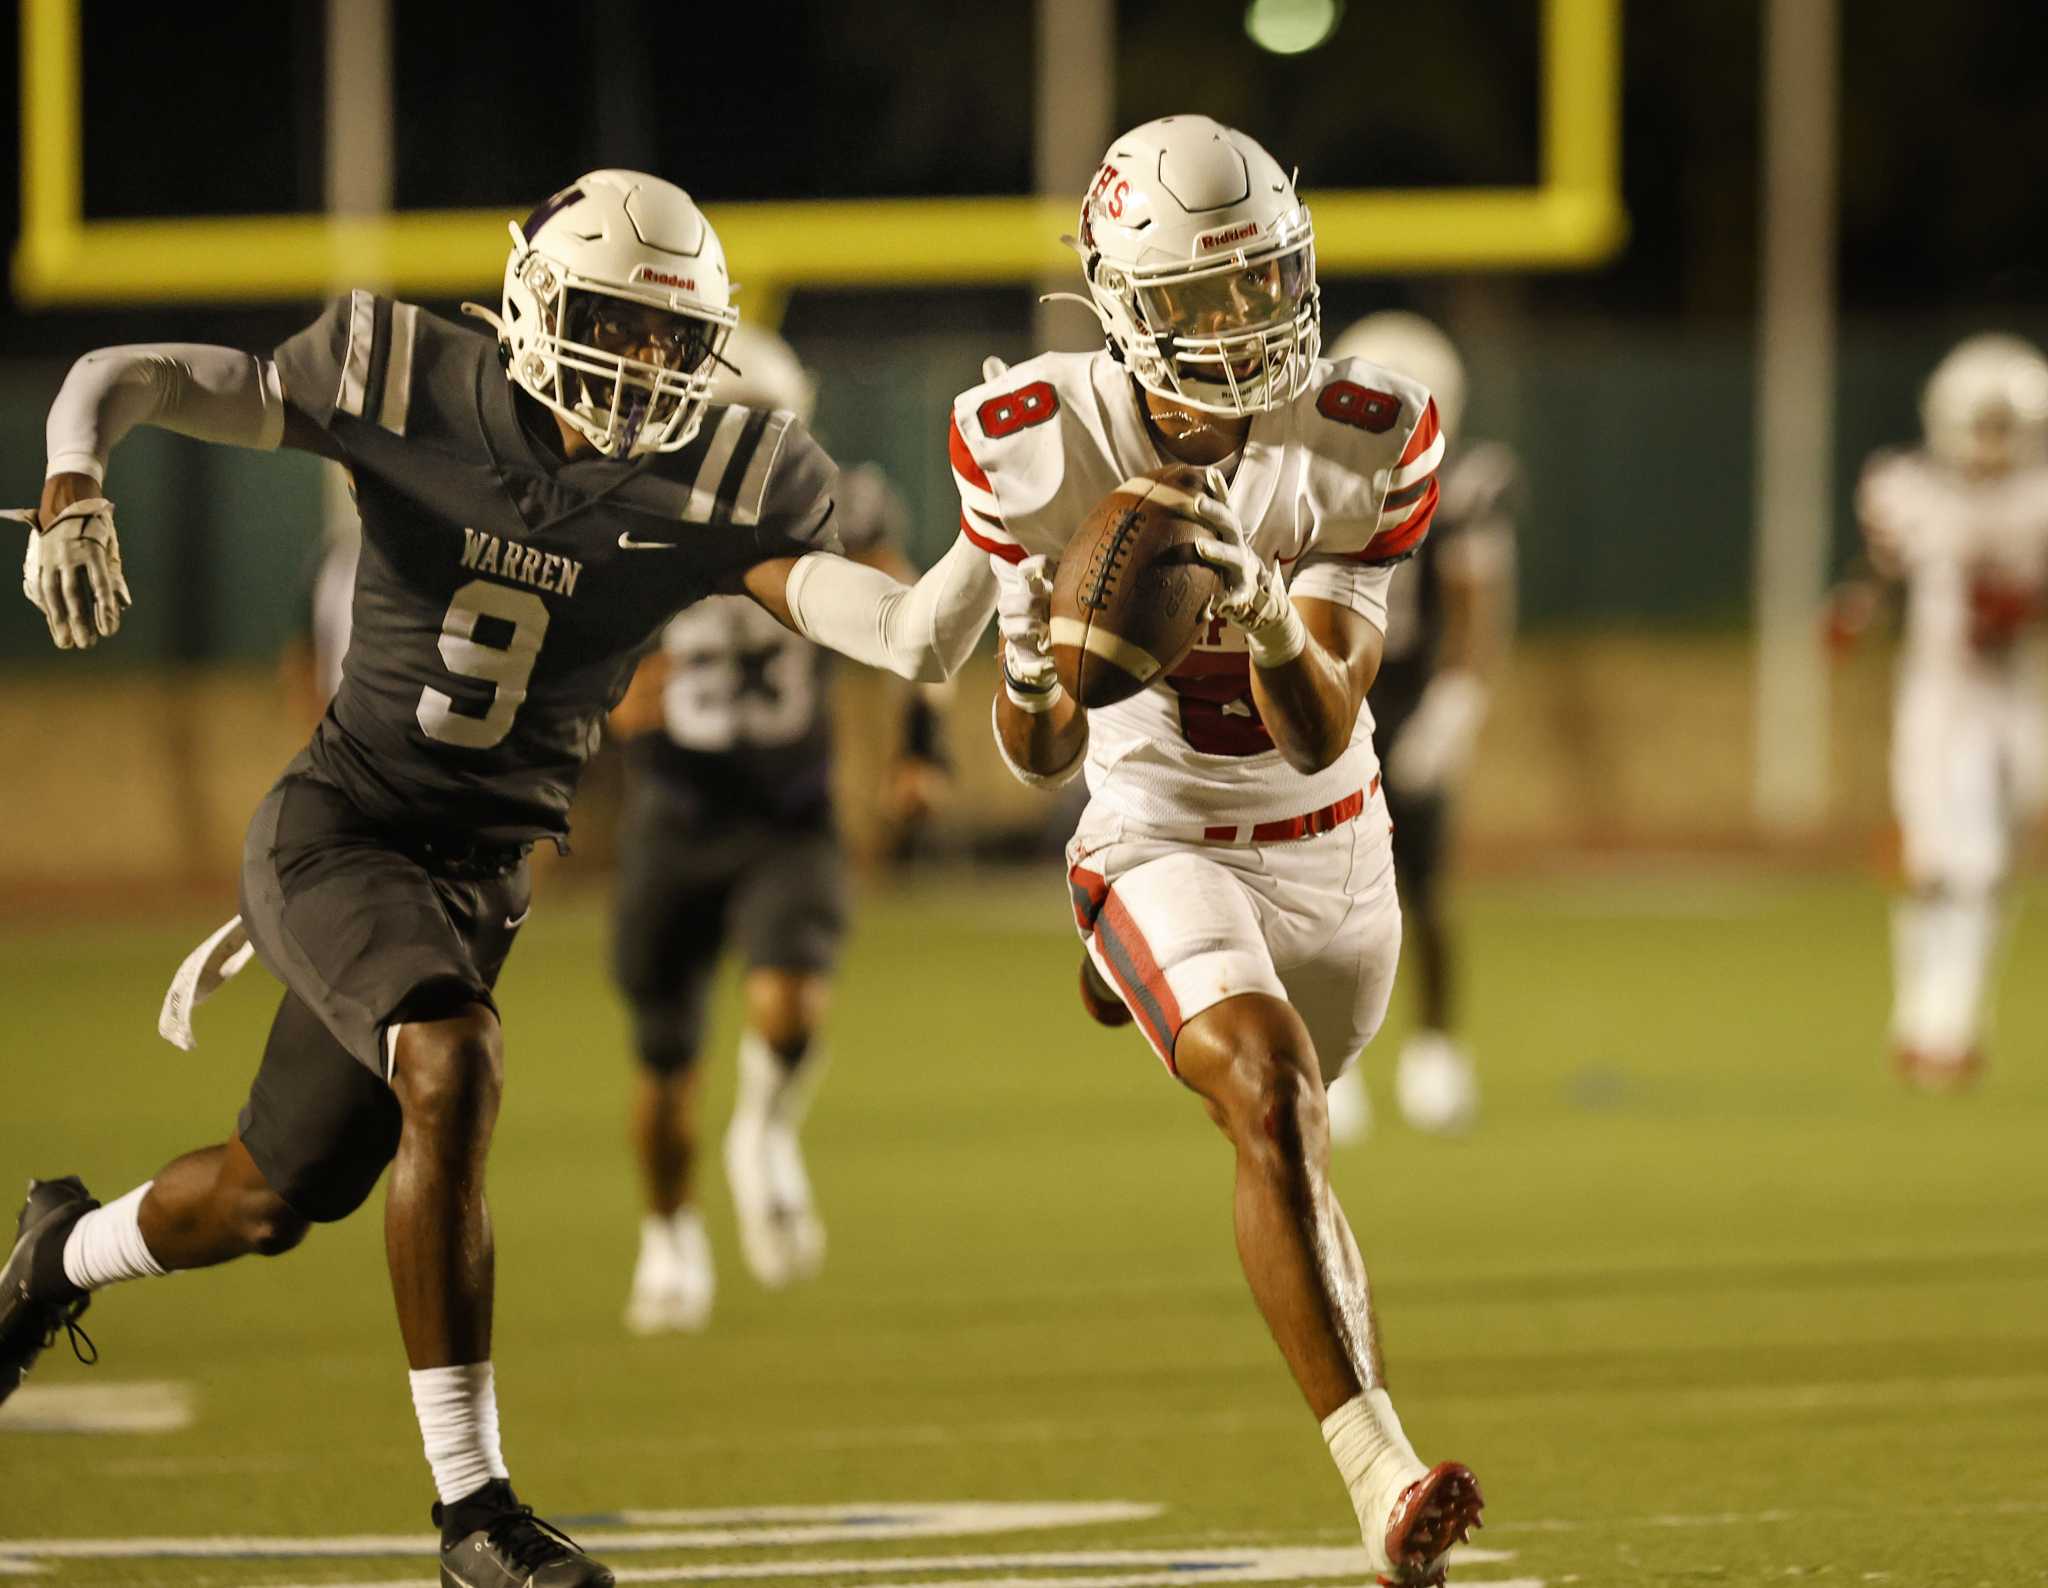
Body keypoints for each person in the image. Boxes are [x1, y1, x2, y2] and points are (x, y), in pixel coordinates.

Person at [0, 169, 992, 1588]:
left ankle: (54, 1258)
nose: (643, 369)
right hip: (340, 825)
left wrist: (993, 572)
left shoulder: (724, 474)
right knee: (452, 1063)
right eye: (613, 325)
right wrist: (72, 479)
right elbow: (130, 371)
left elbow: (897, 633)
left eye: (671, 342)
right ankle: (475, 1515)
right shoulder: (405, 375)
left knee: (271, 1199)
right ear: (535, 302)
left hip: (478, 879)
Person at [956, 117, 1483, 1586]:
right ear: (1120, 305)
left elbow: (1319, 730)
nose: (1243, 326)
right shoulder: (1031, 440)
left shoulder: (1371, 432)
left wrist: (1261, 614)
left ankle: (1123, 979)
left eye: (1265, 283)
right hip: (1157, 827)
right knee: (1268, 1094)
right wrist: (1028, 668)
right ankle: (1381, 1475)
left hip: (1335, 847)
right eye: (1199, 300)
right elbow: (1040, 760)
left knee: (1294, 1080)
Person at [607, 324, 949, 1332]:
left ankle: (761, 1132)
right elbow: (575, 641)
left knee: (791, 1008)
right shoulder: (631, 507)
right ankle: (668, 1233)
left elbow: (916, 616)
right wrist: (606, 699)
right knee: (664, 1068)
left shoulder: (843, 500)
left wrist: (918, 744)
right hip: (673, 812)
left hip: (787, 810)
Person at [1831, 332, 2048, 1091]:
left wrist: (2023, 607)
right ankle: (1934, 1027)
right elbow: (1883, 570)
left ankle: (1943, 1024)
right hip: (1937, 691)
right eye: (1980, 426)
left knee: (1984, 862)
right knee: (1941, 864)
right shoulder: (1907, 485)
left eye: (2003, 427)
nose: (1991, 446)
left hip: (2015, 691)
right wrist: (1855, 610)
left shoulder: (2038, 496)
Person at [1318, 313, 1517, 1140]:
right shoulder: (1311, 479)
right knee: (1323, 888)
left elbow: (1477, 607)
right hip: (1330, 687)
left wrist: (1457, 705)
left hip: (1407, 693)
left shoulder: (1461, 487)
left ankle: (1435, 1052)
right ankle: (1332, 1061)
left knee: (1423, 886)